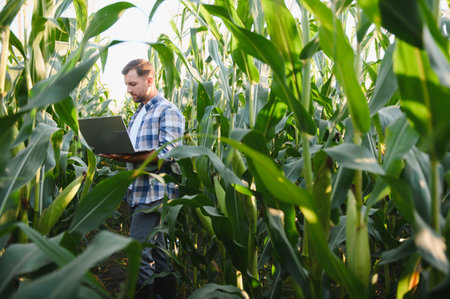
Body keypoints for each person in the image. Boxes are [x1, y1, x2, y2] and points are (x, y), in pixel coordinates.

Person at [100, 59, 184, 299]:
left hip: (155, 193)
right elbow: (135, 153)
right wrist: (117, 153)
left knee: (138, 252)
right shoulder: (138, 113)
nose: (129, 90)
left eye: (133, 84)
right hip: (137, 192)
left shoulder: (167, 110)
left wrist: (125, 155)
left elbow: (169, 154)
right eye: (126, 85)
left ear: (149, 80)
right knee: (157, 253)